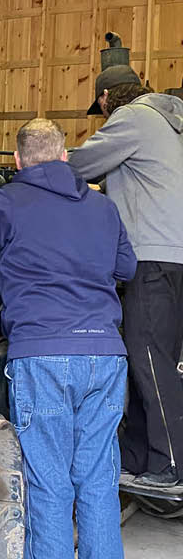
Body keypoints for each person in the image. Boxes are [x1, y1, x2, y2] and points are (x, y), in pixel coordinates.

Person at [0, 119, 136, 559]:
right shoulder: (103, 207)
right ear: (65, 156)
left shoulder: (8, 202)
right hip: (104, 356)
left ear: (17, 160)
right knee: (97, 480)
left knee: (49, 484)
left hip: (43, 355)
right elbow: (127, 269)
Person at [70, 71, 183, 488]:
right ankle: (137, 459)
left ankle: (172, 466)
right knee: (149, 361)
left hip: (153, 257)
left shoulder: (133, 118)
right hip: (174, 258)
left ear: (104, 98)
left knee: (151, 362)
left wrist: (34, 167)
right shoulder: (168, 122)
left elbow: (79, 165)